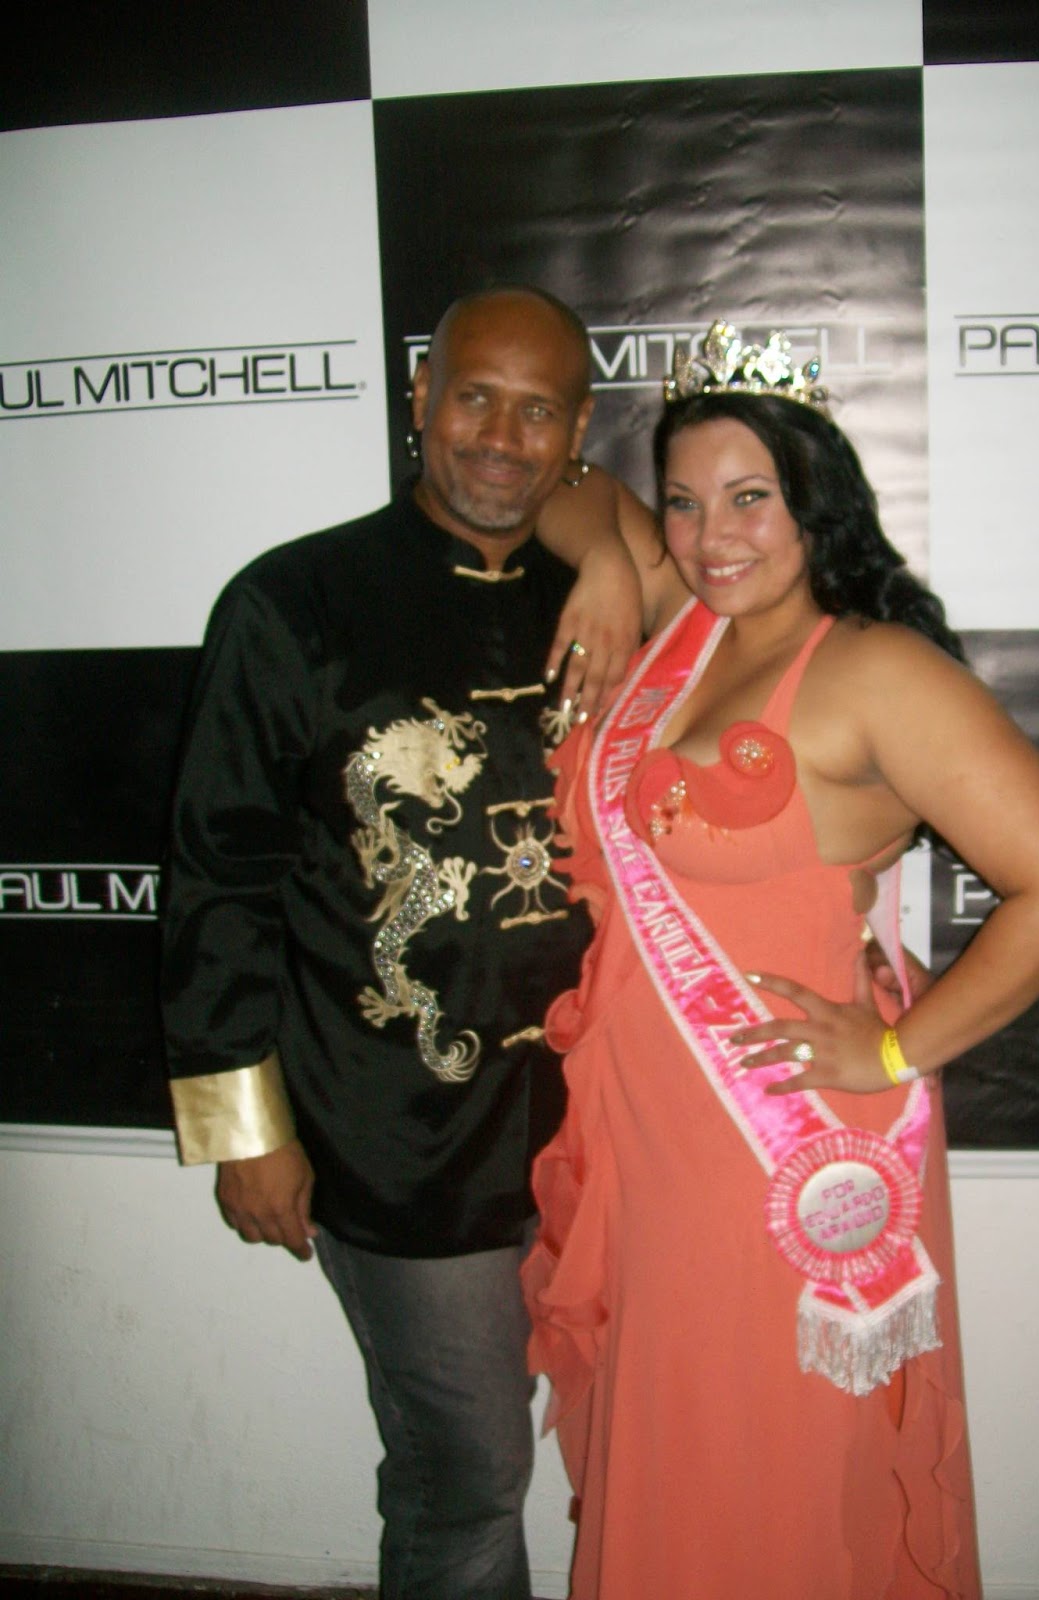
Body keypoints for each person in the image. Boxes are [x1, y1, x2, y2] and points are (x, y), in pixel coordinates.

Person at [522, 321, 1039, 1599]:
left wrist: (896, 1048)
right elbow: (563, 489)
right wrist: (612, 566)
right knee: (675, 1444)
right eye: (684, 501)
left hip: (775, 1143)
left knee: (761, 1466)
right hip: (648, 1133)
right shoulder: (687, 622)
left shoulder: (870, 668)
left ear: (815, 499)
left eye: (751, 496)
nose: (711, 534)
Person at [160, 286, 643, 1600]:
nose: (500, 437)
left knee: (629, 1445)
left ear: (577, 432)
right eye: (474, 396)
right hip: (399, 1133)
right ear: (420, 396)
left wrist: (608, 554)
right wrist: (243, 1127)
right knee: (468, 1474)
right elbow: (218, 874)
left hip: (607, 1127)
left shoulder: (609, 599)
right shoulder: (294, 602)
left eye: (537, 411)